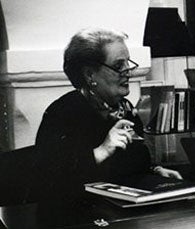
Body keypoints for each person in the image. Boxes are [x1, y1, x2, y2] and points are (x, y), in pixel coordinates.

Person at [34, 28, 181, 227]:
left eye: (128, 63)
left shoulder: (125, 108)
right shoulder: (63, 113)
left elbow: (130, 166)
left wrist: (155, 172)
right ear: (89, 74)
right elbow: (50, 183)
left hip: (124, 218)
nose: (129, 71)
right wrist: (101, 151)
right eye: (119, 65)